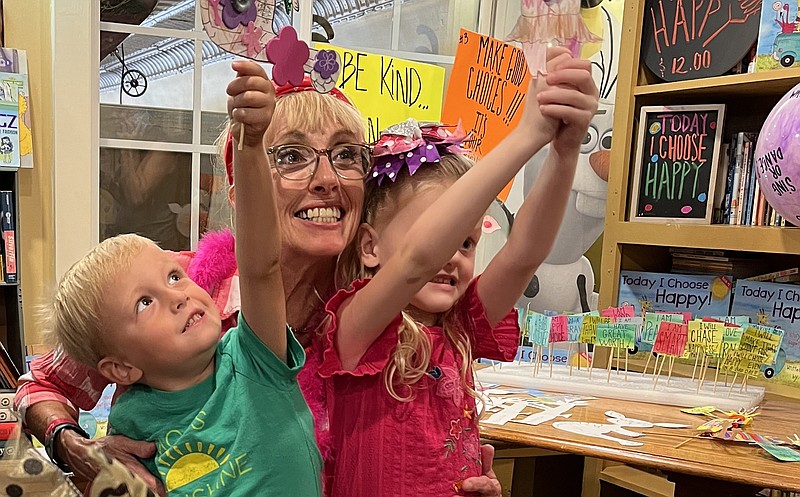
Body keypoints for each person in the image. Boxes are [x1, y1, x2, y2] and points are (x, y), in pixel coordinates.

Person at [15, 75, 504, 495]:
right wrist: (75, 447)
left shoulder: (394, 313)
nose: (327, 179)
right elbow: (40, 384)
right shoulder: (181, 290)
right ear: (238, 180)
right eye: (291, 156)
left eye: (345, 155)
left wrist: (454, 475)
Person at [320, 48, 598, 496]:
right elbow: (415, 262)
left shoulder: (462, 325)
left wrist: (564, 153)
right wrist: (526, 136)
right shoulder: (358, 326)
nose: (452, 256)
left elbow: (524, 253)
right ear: (370, 246)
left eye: (467, 243)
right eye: (443, 239)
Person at [40, 61, 322, 496]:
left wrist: (251, 146)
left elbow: (262, 267)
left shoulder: (252, 356)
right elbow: (42, 384)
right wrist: (73, 443)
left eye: (174, 276)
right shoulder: (131, 424)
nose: (177, 296)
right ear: (121, 368)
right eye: (144, 303)